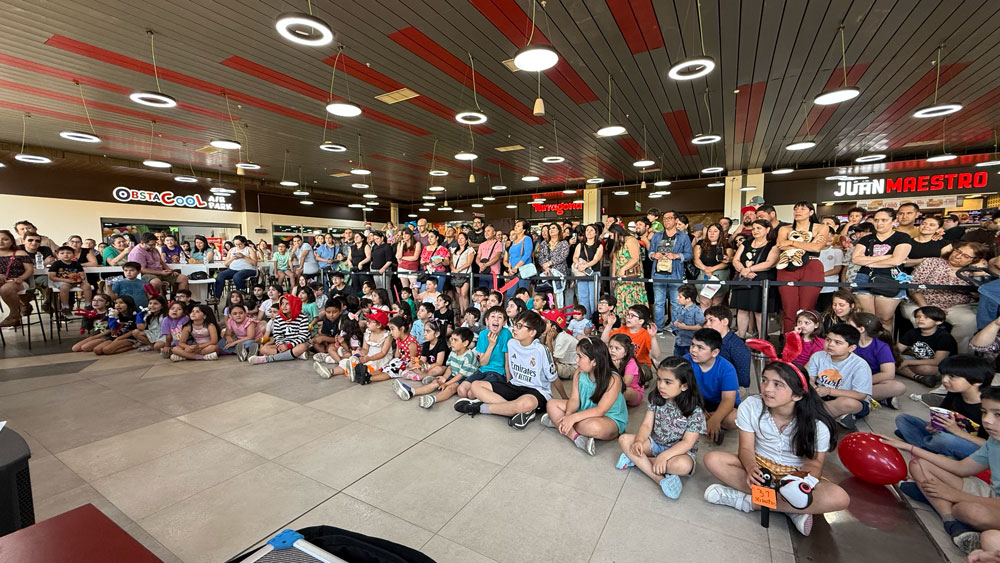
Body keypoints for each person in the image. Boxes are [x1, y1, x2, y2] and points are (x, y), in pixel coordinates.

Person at [704, 361, 848, 537]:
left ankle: (749, 502)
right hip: (760, 465)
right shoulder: (752, 406)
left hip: (796, 474)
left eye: (777, 384)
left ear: (797, 395)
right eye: (764, 380)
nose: (767, 389)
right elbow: (746, 449)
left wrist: (795, 486)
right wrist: (751, 468)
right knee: (713, 459)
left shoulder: (817, 424)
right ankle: (792, 509)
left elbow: (814, 465)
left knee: (839, 497)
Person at [882, 385, 1000, 554]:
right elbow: (961, 468)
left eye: (998, 415)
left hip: (991, 505)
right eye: (984, 412)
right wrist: (910, 448)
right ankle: (952, 524)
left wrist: (954, 495)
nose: (987, 420)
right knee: (920, 464)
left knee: (967, 510)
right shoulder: (994, 442)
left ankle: (933, 497)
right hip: (993, 496)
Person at [617, 356, 704, 498]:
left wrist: (665, 456)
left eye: (668, 382)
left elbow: (687, 443)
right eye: (659, 379)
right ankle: (659, 479)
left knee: (683, 466)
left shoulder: (695, 411)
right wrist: (639, 441)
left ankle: (637, 461)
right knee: (625, 439)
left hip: (679, 452)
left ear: (684, 385)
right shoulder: (656, 399)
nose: (661, 386)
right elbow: (646, 425)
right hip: (655, 443)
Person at [456, 310, 556, 429]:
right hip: (515, 385)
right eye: (515, 325)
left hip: (536, 390)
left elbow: (554, 377)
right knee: (476, 385)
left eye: (519, 326)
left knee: (526, 403)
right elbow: (504, 364)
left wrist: (564, 399)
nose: (515, 328)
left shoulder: (541, 350)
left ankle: (481, 408)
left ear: (532, 332)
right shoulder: (512, 343)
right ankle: (515, 410)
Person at [540, 337, 627, 456]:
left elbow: (600, 410)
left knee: (594, 427)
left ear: (594, 361)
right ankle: (576, 438)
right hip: (584, 410)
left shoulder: (613, 379)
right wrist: (568, 416)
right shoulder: (579, 373)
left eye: (580, 357)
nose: (576, 360)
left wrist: (573, 418)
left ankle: (557, 423)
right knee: (551, 404)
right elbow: (575, 400)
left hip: (609, 418)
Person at [894, 354, 992, 460]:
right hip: (949, 433)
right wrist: (933, 426)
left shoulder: (990, 406)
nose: (944, 380)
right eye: (944, 375)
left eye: (952, 377)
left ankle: (925, 445)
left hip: (979, 448)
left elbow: (991, 445)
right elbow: (943, 416)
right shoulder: (954, 393)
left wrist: (957, 432)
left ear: (977, 381)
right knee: (903, 419)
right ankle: (931, 446)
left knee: (943, 439)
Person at [904, 242, 985, 353]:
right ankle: (925, 353)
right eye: (958, 251)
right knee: (921, 319)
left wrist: (978, 274)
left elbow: (978, 295)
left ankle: (955, 355)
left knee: (969, 321)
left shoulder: (973, 271)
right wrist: (928, 309)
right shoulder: (932, 262)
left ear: (974, 260)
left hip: (956, 307)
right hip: (923, 303)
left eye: (965, 256)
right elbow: (913, 287)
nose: (957, 256)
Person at [852, 208, 913, 332]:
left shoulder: (902, 237)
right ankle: (869, 347)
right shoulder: (866, 238)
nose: (879, 223)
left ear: (893, 221)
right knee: (868, 319)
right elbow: (855, 259)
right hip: (864, 277)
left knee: (885, 319)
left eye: (884, 220)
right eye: (876, 220)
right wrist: (886, 257)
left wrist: (869, 261)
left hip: (890, 279)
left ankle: (886, 347)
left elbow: (896, 261)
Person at [774, 202, 831, 333]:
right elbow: (781, 245)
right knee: (789, 309)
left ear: (811, 212)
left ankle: (807, 342)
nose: (798, 211)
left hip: (811, 264)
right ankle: (790, 342)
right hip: (788, 264)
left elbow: (816, 247)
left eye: (802, 209)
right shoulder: (785, 229)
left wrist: (791, 242)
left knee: (807, 309)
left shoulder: (821, 228)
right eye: (795, 209)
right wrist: (806, 244)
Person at [807, 322, 872, 430]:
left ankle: (812, 415)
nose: (830, 344)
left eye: (838, 342)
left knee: (847, 403)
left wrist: (829, 391)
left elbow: (861, 395)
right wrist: (812, 386)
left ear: (851, 348)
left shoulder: (860, 365)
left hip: (851, 399)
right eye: (828, 340)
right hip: (821, 396)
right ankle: (835, 415)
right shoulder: (818, 356)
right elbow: (810, 378)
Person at [394, 327, 477, 409]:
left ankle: (433, 399)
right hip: (454, 375)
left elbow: (460, 375)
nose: (452, 342)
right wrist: (444, 378)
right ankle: (412, 391)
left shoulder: (469, 356)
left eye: (455, 340)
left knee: (450, 388)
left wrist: (446, 383)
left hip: (465, 378)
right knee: (436, 382)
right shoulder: (453, 352)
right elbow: (450, 367)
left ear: (465, 343)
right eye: (451, 339)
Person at [686, 328, 739, 444]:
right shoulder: (685, 362)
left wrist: (715, 419)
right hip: (696, 401)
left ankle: (704, 424)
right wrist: (698, 409)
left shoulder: (727, 368)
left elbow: (728, 400)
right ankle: (707, 424)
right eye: (692, 345)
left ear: (715, 352)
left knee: (736, 419)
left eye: (700, 348)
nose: (693, 350)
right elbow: (682, 391)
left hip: (720, 403)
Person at [730, 220, 779, 338]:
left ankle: (763, 339)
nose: (755, 231)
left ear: (767, 230)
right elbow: (735, 260)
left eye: (759, 228)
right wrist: (744, 271)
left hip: (762, 280)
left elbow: (770, 263)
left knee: (760, 311)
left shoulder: (773, 245)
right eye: (754, 228)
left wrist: (750, 269)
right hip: (744, 279)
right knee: (742, 309)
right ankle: (741, 337)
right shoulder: (746, 243)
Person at [848, 312, 906, 407]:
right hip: (847, 379)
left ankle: (858, 397)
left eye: (850, 326)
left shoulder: (881, 347)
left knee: (898, 387)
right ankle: (878, 398)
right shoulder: (848, 342)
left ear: (861, 329)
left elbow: (888, 374)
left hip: (870, 381)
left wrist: (862, 381)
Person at [648, 210, 692, 330]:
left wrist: (676, 256)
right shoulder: (657, 236)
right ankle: (658, 328)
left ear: (676, 220)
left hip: (675, 273)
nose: (666, 220)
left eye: (669, 218)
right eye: (665, 218)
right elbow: (650, 252)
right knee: (658, 303)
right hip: (658, 273)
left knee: (676, 303)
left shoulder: (683, 236)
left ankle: (675, 328)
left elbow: (689, 254)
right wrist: (653, 255)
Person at [457, 306, 512, 400]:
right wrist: (491, 345)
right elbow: (482, 363)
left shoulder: (506, 333)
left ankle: (481, 399)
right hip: (482, 371)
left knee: (471, 394)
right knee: (461, 390)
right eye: (493, 316)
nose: (496, 319)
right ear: (487, 321)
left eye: (500, 317)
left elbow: (508, 362)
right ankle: (481, 399)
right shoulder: (483, 334)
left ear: (504, 322)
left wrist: (509, 382)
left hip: (497, 373)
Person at [897, 306, 958, 387]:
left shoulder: (944, 337)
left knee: (925, 369)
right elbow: (895, 351)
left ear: (938, 321)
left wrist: (907, 362)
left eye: (926, 317)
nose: (921, 319)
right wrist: (897, 358)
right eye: (918, 317)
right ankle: (918, 377)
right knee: (890, 360)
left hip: (941, 366)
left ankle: (905, 371)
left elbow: (937, 361)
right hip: (918, 360)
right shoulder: (912, 332)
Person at [602, 304, 659, 385]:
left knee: (640, 372)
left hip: (640, 364)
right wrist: (609, 325)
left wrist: (653, 337)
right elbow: (604, 340)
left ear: (641, 321)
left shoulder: (645, 334)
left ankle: (630, 381)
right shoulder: (622, 329)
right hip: (622, 362)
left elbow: (655, 355)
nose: (628, 317)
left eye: (632, 316)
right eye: (627, 314)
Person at [249, 294, 311, 364]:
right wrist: (280, 345)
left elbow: (303, 337)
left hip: (298, 344)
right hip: (285, 343)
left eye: (287, 304)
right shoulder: (278, 318)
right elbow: (277, 335)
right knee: (263, 349)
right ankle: (296, 355)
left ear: (294, 304)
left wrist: (288, 346)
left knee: (303, 347)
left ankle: (268, 359)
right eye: (282, 304)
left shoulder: (303, 318)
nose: (284, 306)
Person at [703, 305, 752, 389]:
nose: (707, 324)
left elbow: (743, 381)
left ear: (725, 322)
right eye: (706, 320)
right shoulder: (709, 340)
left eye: (711, 320)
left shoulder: (737, 347)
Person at [693, 222, 733, 309]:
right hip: (703, 273)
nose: (712, 233)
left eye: (715, 231)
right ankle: (705, 322)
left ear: (720, 233)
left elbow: (727, 262)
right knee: (704, 303)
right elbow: (696, 260)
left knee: (716, 304)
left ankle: (714, 321)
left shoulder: (726, 245)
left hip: (720, 274)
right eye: (710, 231)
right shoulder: (700, 243)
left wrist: (712, 269)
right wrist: (705, 269)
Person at [540, 310, 578, 400]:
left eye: (546, 323)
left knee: (550, 367)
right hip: (562, 363)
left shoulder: (562, 339)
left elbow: (551, 361)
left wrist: (548, 341)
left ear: (553, 328)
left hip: (573, 367)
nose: (543, 324)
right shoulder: (553, 336)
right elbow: (542, 351)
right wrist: (544, 336)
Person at [0, 230, 34, 326]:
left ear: (11, 241)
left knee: (6, 289)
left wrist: (21, 278)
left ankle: (14, 315)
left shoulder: (20, 253)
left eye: (5, 239)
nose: (1, 241)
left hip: (17, 281)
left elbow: (29, 270)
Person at [48, 245, 91, 315]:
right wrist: (66, 280)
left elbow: (81, 274)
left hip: (75, 281)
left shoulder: (76, 264)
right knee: (64, 287)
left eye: (68, 253)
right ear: (57, 255)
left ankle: (88, 304)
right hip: (61, 281)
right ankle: (65, 306)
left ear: (73, 255)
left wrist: (80, 277)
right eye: (62, 253)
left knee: (87, 285)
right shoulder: (56, 264)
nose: (65, 255)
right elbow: (52, 277)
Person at [572, 223, 603, 319]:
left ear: (595, 233)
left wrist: (585, 266)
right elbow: (575, 257)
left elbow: (596, 259)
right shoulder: (580, 245)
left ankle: (595, 319)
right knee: (582, 297)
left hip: (594, 273)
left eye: (591, 230)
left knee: (593, 298)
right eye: (587, 230)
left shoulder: (599, 245)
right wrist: (579, 265)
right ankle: (585, 319)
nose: (589, 232)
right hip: (582, 273)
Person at [213, 235, 258, 301]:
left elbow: (254, 263)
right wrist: (233, 258)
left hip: (248, 269)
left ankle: (241, 294)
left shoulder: (249, 249)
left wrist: (243, 256)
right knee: (220, 275)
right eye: (236, 244)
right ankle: (217, 297)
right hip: (233, 269)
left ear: (244, 243)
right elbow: (226, 264)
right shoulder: (232, 250)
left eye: (240, 244)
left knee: (237, 276)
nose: (238, 246)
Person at [536, 223, 570, 308]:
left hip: (559, 271)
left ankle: (558, 314)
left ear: (559, 230)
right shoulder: (544, 243)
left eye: (554, 228)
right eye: (550, 229)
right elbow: (541, 257)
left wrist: (550, 263)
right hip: (546, 271)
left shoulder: (563, 243)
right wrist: (546, 267)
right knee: (547, 295)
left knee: (558, 294)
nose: (551, 230)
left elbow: (562, 256)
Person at [609, 333, 646, 407]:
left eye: (617, 348)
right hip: (615, 388)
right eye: (610, 347)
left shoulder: (631, 363)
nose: (612, 351)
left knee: (623, 391)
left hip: (633, 393)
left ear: (626, 352)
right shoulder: (610, 359)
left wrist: (615, 369)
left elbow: (625, 384)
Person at [503, 220, 534, 299]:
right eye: (515, 226)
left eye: (518, 226)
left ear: (524, 229)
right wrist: (509, 267)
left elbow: (527, 255)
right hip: (513, 271)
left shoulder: (527, 239)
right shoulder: (514, 241)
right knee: (510, 294)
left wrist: (516, 267)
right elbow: (511, 256)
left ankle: (524, 311)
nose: (516, 227)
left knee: (522, 294)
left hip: (523, 271)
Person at [815, 229, 844, 312]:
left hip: (830, 288)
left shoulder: (837, 251)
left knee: (828, 312)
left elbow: (837, 269)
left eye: (831, 235)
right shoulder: (812, 251)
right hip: (814, 287)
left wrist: (820, 275)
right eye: (826, 235)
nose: (829, 238)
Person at [672, 284, 704, 356]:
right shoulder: (680, 308)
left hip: (689, 343)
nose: (677, 298)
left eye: (680, 297)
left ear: (688, 299)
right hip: (679, 341)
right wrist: (676, 323)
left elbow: (701, 326)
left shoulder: (697, 311)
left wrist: (686, 327)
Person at [451, 232, 475, 311]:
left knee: (464, 294)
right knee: (459, 294)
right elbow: (450, 262)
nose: (460, 240)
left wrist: (459, 269)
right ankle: (461, 312)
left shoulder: (470, 250)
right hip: (455, 274)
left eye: (462, 238)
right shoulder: (453, 250)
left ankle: (466, 312)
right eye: (459, 238)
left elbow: (469, 262)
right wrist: (454, 270)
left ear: (466, 240)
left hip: (465, 274)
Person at [474, 224, 504, 289]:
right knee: (482, 293)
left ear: (494, 233)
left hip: (494, 273)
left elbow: (497, 257)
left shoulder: (498, 244)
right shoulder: (482, 245)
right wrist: (479, 264)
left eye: (488, 231)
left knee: (493, 293)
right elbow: (478, 257)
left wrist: (485, 265)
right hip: (483, 272)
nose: (486, 233)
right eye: (485, 231)